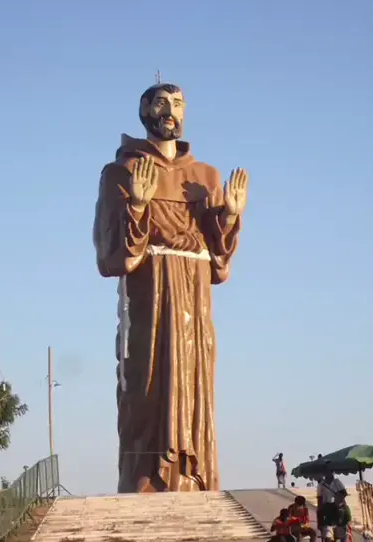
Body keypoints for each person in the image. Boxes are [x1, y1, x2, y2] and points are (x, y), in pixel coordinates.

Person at [93, 82, 248, 493]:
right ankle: (145, 477)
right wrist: (138, 206)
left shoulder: (205, 177)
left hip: (194, 294)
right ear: (144, 110)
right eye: (161, 103)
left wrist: (229, 217)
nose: (171, 112)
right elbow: (113, 256)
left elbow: (219, 262)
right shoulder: (121, 171)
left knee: (195, 382)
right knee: (146, 382)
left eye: (178, 104)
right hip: (149, 289)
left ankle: (194, 475)